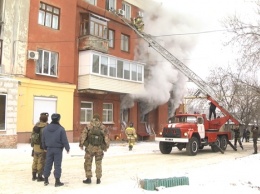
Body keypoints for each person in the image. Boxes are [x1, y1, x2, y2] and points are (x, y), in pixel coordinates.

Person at [79, 114, 110, 184]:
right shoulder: (103, 127)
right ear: (99, 119)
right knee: (98, 163)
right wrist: (106, 146)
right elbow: (106, 137)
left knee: (88, 163)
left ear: (93, 118)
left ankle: (88, 178)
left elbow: (83, 135)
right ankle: (98, 179)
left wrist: (81, 144)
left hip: (90, 148)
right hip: (99, 149)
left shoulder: (89, 126)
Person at [42, 113, 70, 187]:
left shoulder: (46, 128)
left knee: (48, 164)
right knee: (57, 165)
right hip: (58, 149)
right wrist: (67, 148)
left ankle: (46, 180)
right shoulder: (61, 129)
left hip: (49, 149)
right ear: (58, 119)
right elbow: (64, 140)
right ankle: (57, 181)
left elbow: (43, 139)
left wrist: (44, 147)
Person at [31, 112, 49, 182]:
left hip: (35, 146)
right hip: (42, 147)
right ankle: (39, 177)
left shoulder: (36, 126)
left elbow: (32, 135)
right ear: (46, 119)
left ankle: (33, 176)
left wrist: (32, 146)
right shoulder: (46, 126)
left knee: (35, 161)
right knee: (41, 161)